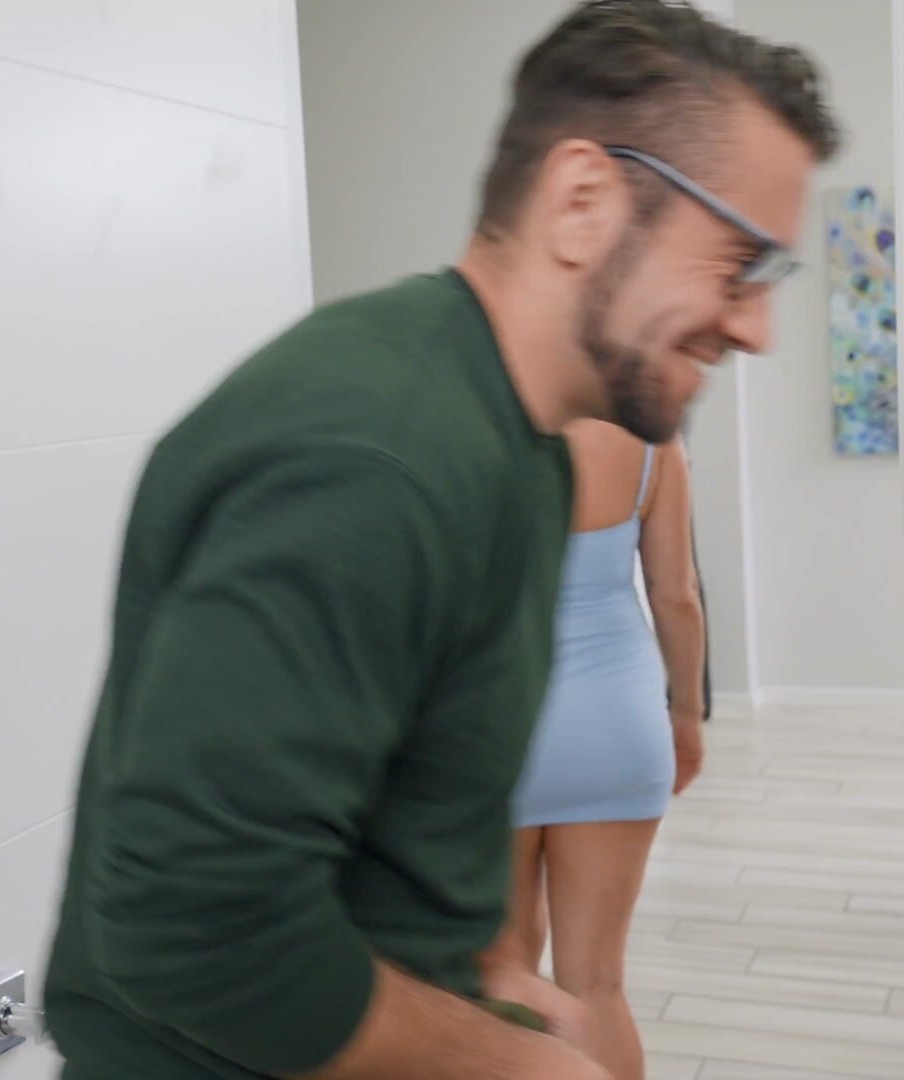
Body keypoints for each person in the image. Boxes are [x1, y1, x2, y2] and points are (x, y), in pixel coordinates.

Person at [41, 2, 838, 1076]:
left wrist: (488, 986)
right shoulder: (372, 460)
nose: (756, 326)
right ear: (583, 202)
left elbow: (396, 834)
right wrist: (505, 1062)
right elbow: (196, 930)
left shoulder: (521, 450)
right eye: (737, 261)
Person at [487, 421, 707, 1080]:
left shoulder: (476, 427)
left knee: (504, 976)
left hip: (495, 727)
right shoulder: (652, 440)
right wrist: (686, 714)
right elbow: (677, 596)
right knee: (599, 984)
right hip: (616, 723)